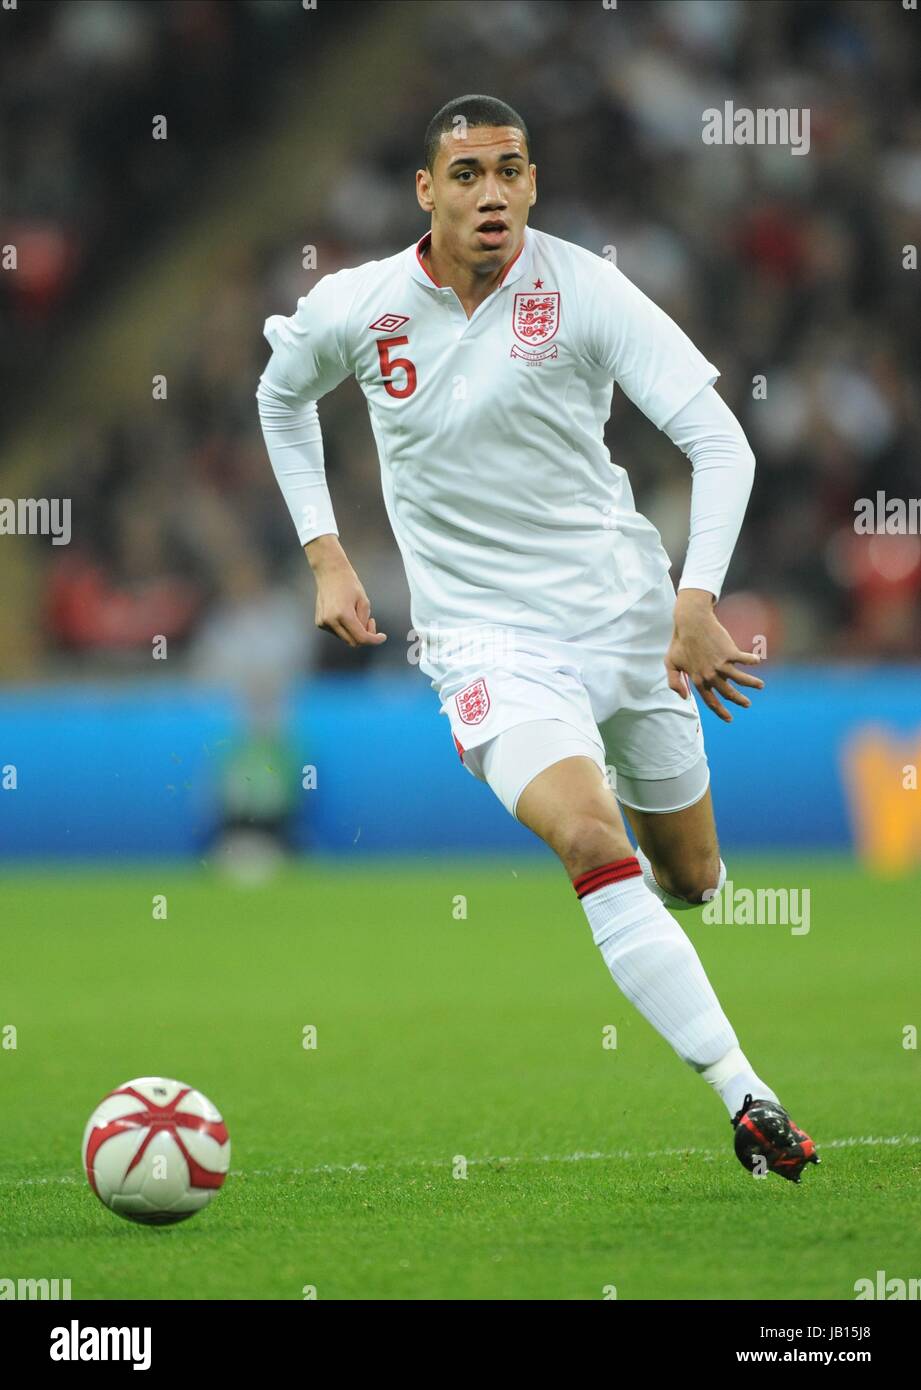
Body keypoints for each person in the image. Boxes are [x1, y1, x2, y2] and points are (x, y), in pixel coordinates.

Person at [257, 94, 818, 1183]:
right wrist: (325, 552)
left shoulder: (583, 290)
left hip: (629, 618)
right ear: (427, 192)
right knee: (591, 840)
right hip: (487, 646)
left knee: (694, 876)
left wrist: (696, 599)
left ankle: (667, 912)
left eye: (510, 169)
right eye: (466, 173)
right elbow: (282, 400)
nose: (492, 192)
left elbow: (723, 443)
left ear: (533, 184)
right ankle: (747, 1095)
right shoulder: (358, 306)